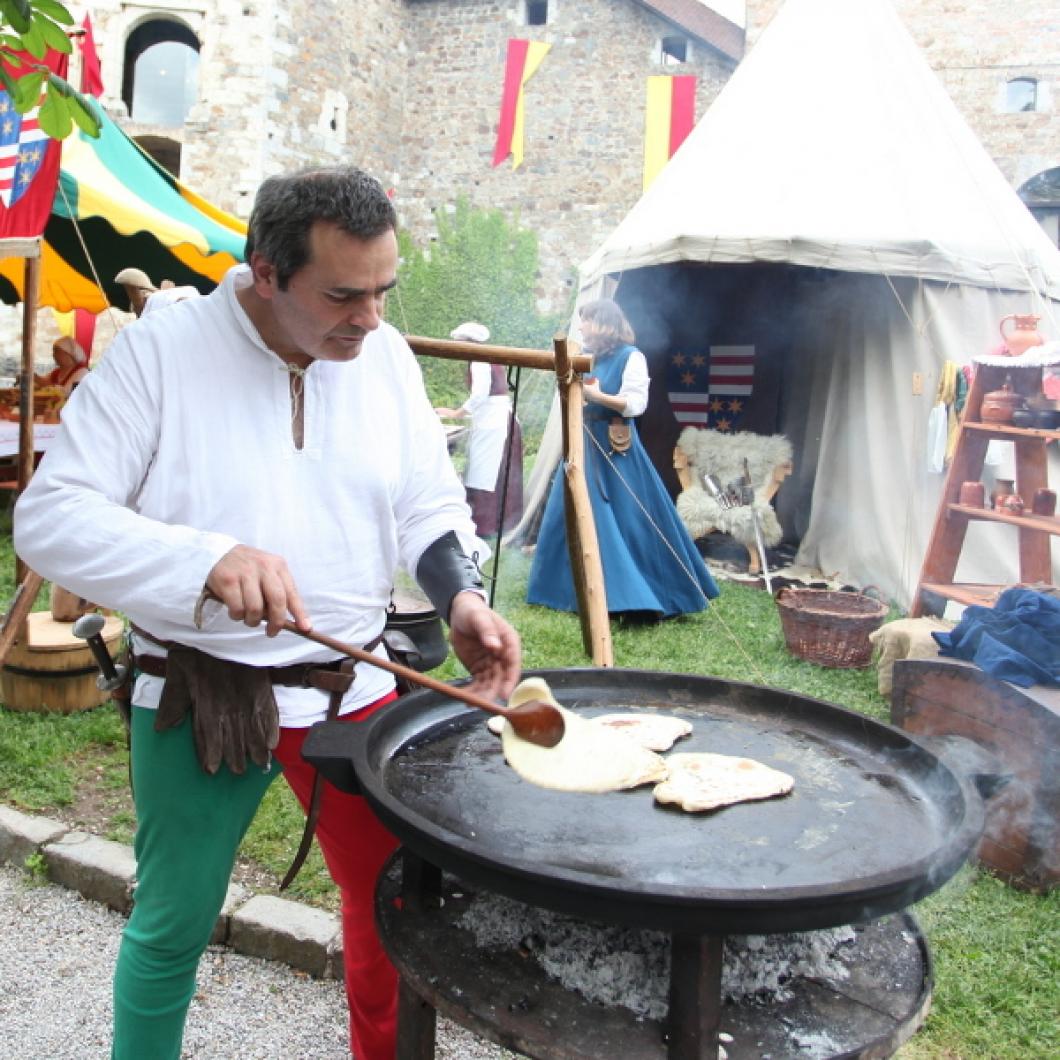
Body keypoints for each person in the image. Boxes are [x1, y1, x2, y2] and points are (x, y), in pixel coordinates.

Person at [15, 165, 521, 1060]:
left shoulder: (386, 359)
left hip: (357, 684)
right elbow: (50, 519)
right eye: (341, 295)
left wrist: (462, 595)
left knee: (392, 916)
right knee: (174, 923)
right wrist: (204, 558)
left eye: (382, 291)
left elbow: (426, 503)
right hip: (205, 691)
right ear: (264, 270)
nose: (369, 318)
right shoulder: (159, 355)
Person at [526, 298, 719, 618]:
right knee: (569, 512)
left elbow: (635, 404)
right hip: (582, 442)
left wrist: (596, 395)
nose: (583, 326)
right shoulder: (585, 357)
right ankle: (562, 592)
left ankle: (631, 594)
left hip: (615, 449)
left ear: (604, 323)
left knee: (626, 520)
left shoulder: (632, 357)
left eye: (587, 320)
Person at [435, 321, 524, 537]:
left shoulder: (480, 360)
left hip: (494, 423)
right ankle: (497, 523)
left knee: (484, 472)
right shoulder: (486, 358)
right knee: (489, 471)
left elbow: (480, 395)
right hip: (495, 420)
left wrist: (455, 413)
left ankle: (486, 525)